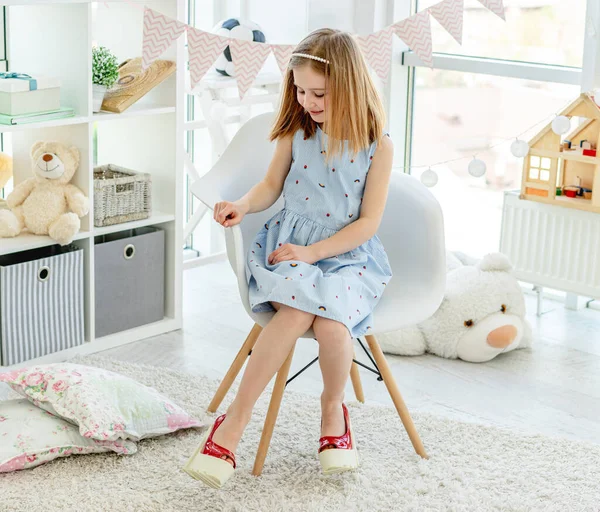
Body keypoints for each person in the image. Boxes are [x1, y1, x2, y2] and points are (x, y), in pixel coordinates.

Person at [184, 27, 394, 489]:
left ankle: (332, 412)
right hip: (290, 245)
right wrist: (242, 203)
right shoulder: (298, 131)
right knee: (297, 310)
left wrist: (315, 252)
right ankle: (235, 423)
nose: (307, 100)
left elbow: (368, 223)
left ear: (351, 86)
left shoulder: (378, 145)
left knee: (334, 325)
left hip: (346, 256)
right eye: (300, 90)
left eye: (319, 92)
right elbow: (269, 187)